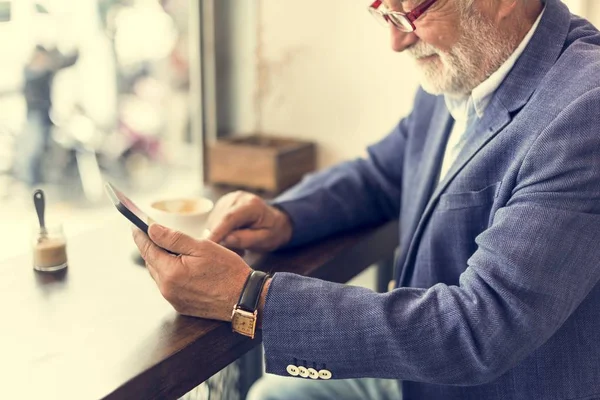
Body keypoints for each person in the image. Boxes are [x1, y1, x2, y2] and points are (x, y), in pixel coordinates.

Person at [131, 0, 600, 398]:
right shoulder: (469, 62)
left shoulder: (584, 112)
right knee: (273, 393)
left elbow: (478, 330)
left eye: (409, 14)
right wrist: (284, 216)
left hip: (495, 384)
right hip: (423, 376)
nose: (396, 42)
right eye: (383, 13)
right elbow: (384, 173)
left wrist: (249, 297)